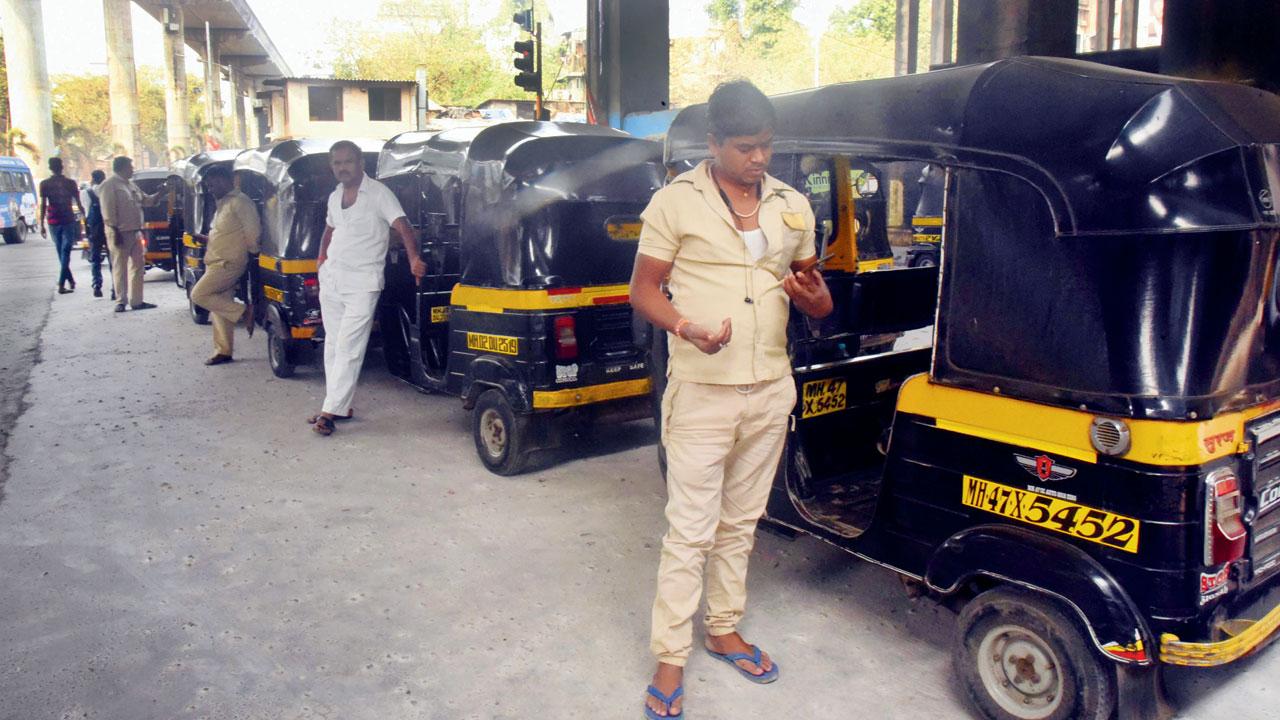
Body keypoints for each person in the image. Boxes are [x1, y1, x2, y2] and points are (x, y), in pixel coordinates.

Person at [629, 80, 833, 719]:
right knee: (689, 530)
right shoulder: (674, 203)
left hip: (770, 389)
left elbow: (818, 295)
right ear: (713, 143)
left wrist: (814, 302)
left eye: (767, 147)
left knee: (741, 522)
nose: (759, 159)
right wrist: (686, 327)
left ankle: (722, 627)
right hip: (702, 393)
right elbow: (644, 291)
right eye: (745, 148)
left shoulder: (794, 205)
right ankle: (669, 656)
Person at [309, 140, 425, 436]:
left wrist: (413, 259)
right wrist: (322, 257)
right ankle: (340, 404)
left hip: (363, 283)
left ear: (360, 163)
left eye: (348, 161)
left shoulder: (378, 194)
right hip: (333, 279)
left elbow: (402, 225)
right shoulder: (335, 196)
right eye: (337, 163)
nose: (342, 168)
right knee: (333, 345)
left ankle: (329, 413)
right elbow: (330, 227)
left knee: (349, 346)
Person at [189, 165, 260, 366]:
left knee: (199, 295)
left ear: (224, 180)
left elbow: (252, 232)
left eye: (212, 184)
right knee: (218, 304)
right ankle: (223, 350)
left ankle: (244, 312)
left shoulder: (241, 202)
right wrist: (207, 239)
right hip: (216, 258)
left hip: (228, 262)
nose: (210, 189)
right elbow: (224, 232)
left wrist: (253, 252)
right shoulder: (223, 203)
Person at [98, 156, 164, 313]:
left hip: (135, 231)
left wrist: (161, 193)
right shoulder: (109, 185)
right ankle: (121, 301)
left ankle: (137, 301)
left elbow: (146, 201)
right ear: (122, 168)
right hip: (119, 232)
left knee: (138, 266)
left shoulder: (130, 185)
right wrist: (115, 231)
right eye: (130, 166)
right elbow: (107, 211)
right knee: (120, 267)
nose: (132, 169)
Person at [38, 157, 85, 295]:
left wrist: (41, 224)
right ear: (62, 167)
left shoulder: (45, 184)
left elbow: (43, 205)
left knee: (61, 251)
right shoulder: (70, 183)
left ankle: (64, 282)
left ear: (50, 168)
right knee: (65, 251)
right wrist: (84, 220)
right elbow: (78, 203)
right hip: (68, 219)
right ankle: (66, 281)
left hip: (53, 220)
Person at [84, 170, 111, 299]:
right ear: (104, 178)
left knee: (95, 259)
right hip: (109, 229)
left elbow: (86, 213)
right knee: (113, 259)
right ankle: (115, 288)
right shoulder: (108, 191)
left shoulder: (87, 193)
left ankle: (97, 285)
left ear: (93, 179)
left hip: (94, 231)